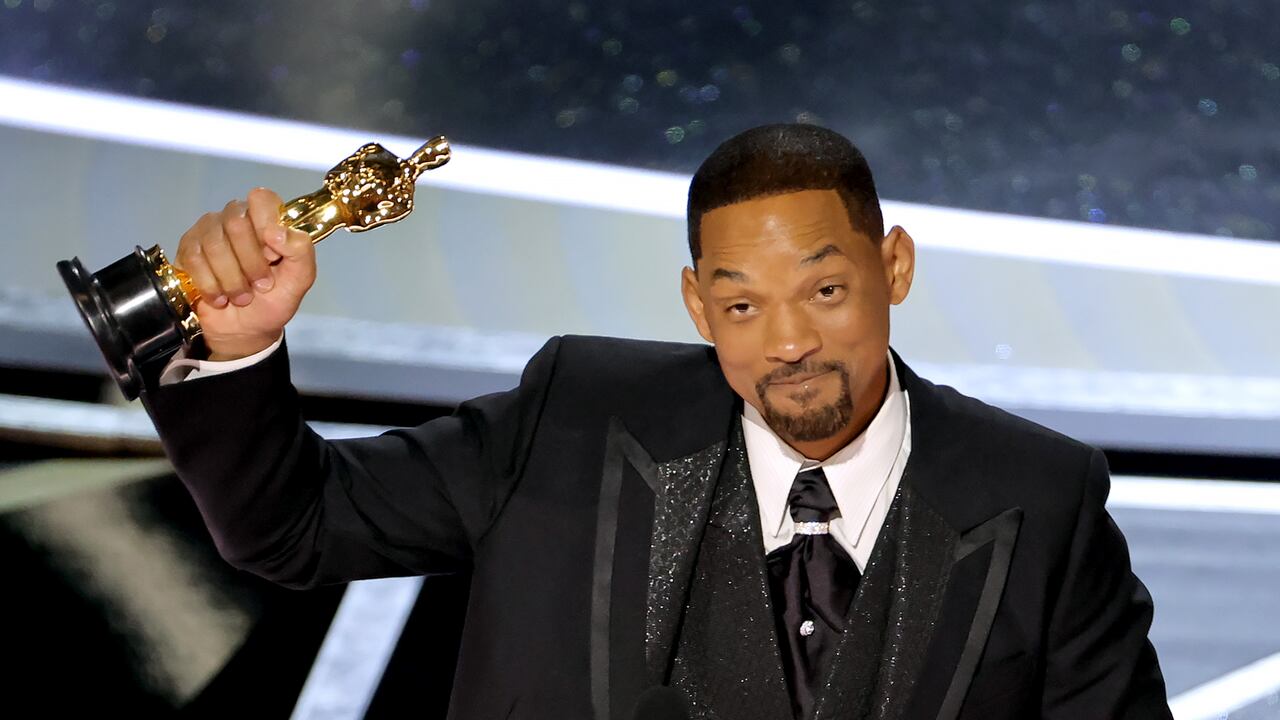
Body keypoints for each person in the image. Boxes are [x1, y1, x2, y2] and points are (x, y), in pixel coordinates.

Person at [141, 124, 1173, 719]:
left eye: (822, 293)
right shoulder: (571, 422)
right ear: (693, 306)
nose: (786, 343)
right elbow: (291, 526)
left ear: (891, 267)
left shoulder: (1039, 498)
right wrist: (239, 351)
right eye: (740, 305)